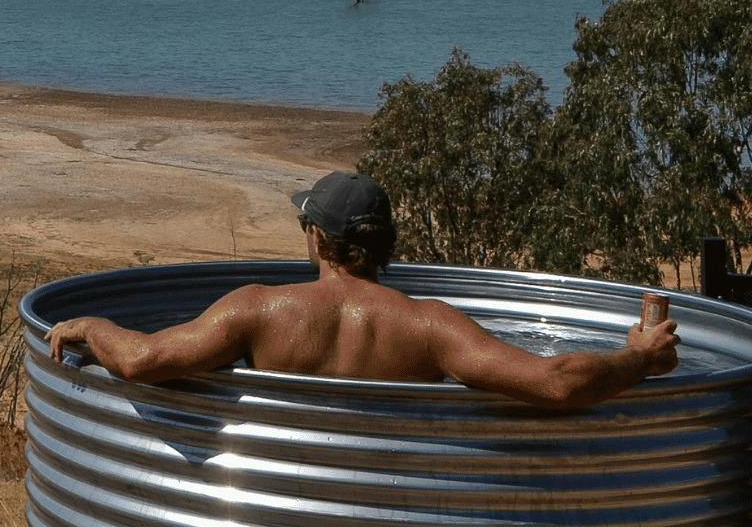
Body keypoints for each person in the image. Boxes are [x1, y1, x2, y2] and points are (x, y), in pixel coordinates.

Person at [45, 171, 680, 409]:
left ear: (317, 239)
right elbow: (556, 381)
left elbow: (143, 361)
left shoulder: (259, 310)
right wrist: (640, 358)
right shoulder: (430, 325)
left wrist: (89, 327)